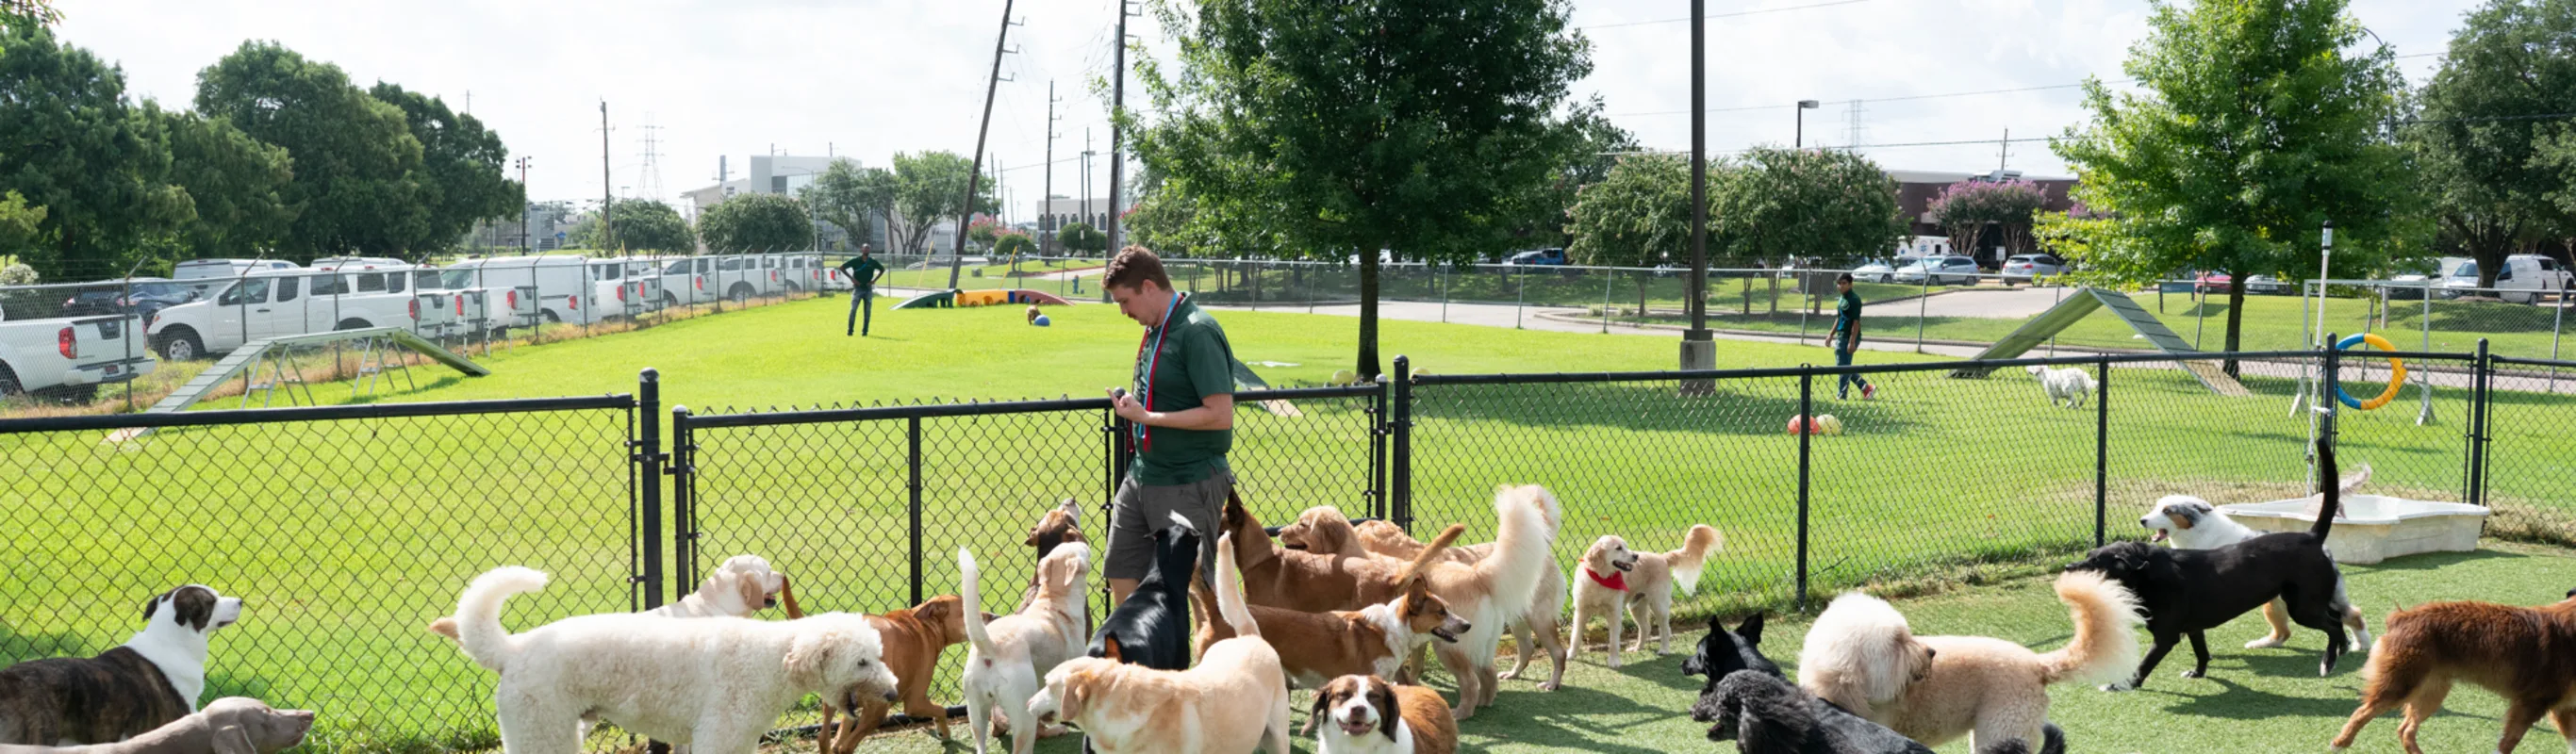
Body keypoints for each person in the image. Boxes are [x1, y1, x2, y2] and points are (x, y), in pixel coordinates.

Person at [1101, 246, 1234, 603]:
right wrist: (1138, 406)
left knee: (1195, 590)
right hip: (1143, 475)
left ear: (1148, 286)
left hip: (1188, 480)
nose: (1124, 311)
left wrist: (1148, 418)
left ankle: (1204, 657)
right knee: (1121, 571)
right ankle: (1138, 656)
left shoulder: (1198, 331)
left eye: (1124, 301)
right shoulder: (1157, 326)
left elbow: (1220, 415)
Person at [1830, 272, 1876, 401]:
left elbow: (1856, 322)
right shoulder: (1841, 298)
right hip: (1841, 336)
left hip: (1849, 337)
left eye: (1844, 283)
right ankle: (1866, 388)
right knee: (1843, 366)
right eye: (1839, 283)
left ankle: (1842, 395)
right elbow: (1839, 318)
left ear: (1851, 284)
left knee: (1842, 367)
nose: (1841, 286)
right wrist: (1830, 335)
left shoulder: (1854, 299)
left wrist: (1852, 342)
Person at [839, 244, 886, 336]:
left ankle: (865, 332)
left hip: (868, 289)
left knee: (867, 311)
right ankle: (850, 331)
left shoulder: (872, 262)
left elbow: (882, 269)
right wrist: (852, 279)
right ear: (861, 249)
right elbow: (842, 267)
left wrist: (874, 281)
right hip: (858, 288)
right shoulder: (856, 261)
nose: (866, 250)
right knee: (853, 310)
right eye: (865, 248)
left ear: (870, 250)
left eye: (868, 248)